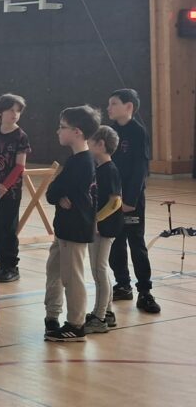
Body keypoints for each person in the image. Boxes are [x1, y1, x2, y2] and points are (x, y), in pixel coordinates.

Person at [44, 105, 101, 343]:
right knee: (55, 271)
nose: (58, 131)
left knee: (72, 277)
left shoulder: (83, 162)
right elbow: (53, 193)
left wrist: (60, 195)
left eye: (62, 127)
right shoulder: (75, 160)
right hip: (64, 228)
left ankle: (76, 325)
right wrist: (60, 196)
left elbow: (57, 192)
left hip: (74, 229)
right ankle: (52, 315)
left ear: (77, 132)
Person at [107, 89, 160, 313]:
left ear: (129, 107)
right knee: (115, 243)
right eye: (109, 104)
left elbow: (140, 168)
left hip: (131, 199)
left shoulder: (138, 132)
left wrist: (130, 199)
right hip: (111, 198)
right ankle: (122, 284)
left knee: (136, 244)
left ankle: (145, 292)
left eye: (114, 103)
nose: (109, 108)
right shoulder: (108, 132)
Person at [84, 126, 123, 334]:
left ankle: (99, 318)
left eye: (90, 141)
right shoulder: (99, 168)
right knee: (101, 269)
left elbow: (115, 202)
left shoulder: (110, 170)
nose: (87, 145)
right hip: (99, 226)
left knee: (98, 271)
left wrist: (96, 220)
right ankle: (106, 312)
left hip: (105, 228)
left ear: (100, 144)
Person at [0, 94, 32, 283]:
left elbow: (20, 166)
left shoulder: (21, 136)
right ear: (1, 111)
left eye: (18, 111)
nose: (15, 114)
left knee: (8, 228)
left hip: (11, 192)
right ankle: (1, 264)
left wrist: (4, 186)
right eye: (11, 110)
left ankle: (11, 266)